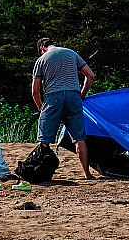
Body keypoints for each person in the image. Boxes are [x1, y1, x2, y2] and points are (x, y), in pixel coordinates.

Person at [32, 37, 95, 180]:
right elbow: (90, 75)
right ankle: (87, 173)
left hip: (53, 98)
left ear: (42, 48)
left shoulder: (41, 60)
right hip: (73, 97)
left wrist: (41, 108)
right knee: (80, 139)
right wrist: (81, 95)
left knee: (45, 140)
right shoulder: (72, 54)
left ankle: (45, 174)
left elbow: (35, 91)